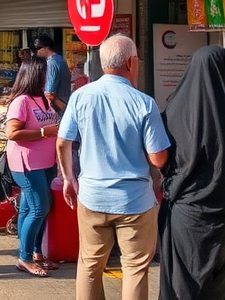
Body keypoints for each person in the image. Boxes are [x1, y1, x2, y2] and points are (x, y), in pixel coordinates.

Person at [57, 34, 170, 300]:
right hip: (135, 202)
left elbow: (63, 141)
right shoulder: (144, 102)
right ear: (131, 63)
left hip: (93, 196)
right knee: (135, 268)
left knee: (89, 264)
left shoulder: (80, 96)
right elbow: (158, 159)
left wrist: (68, 180)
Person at [159, 46, 225, 300]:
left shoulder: (174, 111)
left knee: (181, 284)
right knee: (217, 286)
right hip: (224, 216)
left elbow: (161, 160)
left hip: (185, 215)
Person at [4, 57, 59, 277]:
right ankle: (24, 258)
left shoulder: (44, 100)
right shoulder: (21, 101)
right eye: (46, 72)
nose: (49, 77)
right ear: (36, 74)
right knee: (39, 208)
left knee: (31, 208)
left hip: (47, 162)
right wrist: (44, 132)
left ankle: (35, 252)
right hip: (27, 163)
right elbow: (12, 133)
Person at [34, 34, 71, 112]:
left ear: (46, 48)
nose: (36, 52)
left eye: (38, 48)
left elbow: (49, 93)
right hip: (65, 102)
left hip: (57, 108)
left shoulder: (51, 63)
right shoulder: (60, 59)